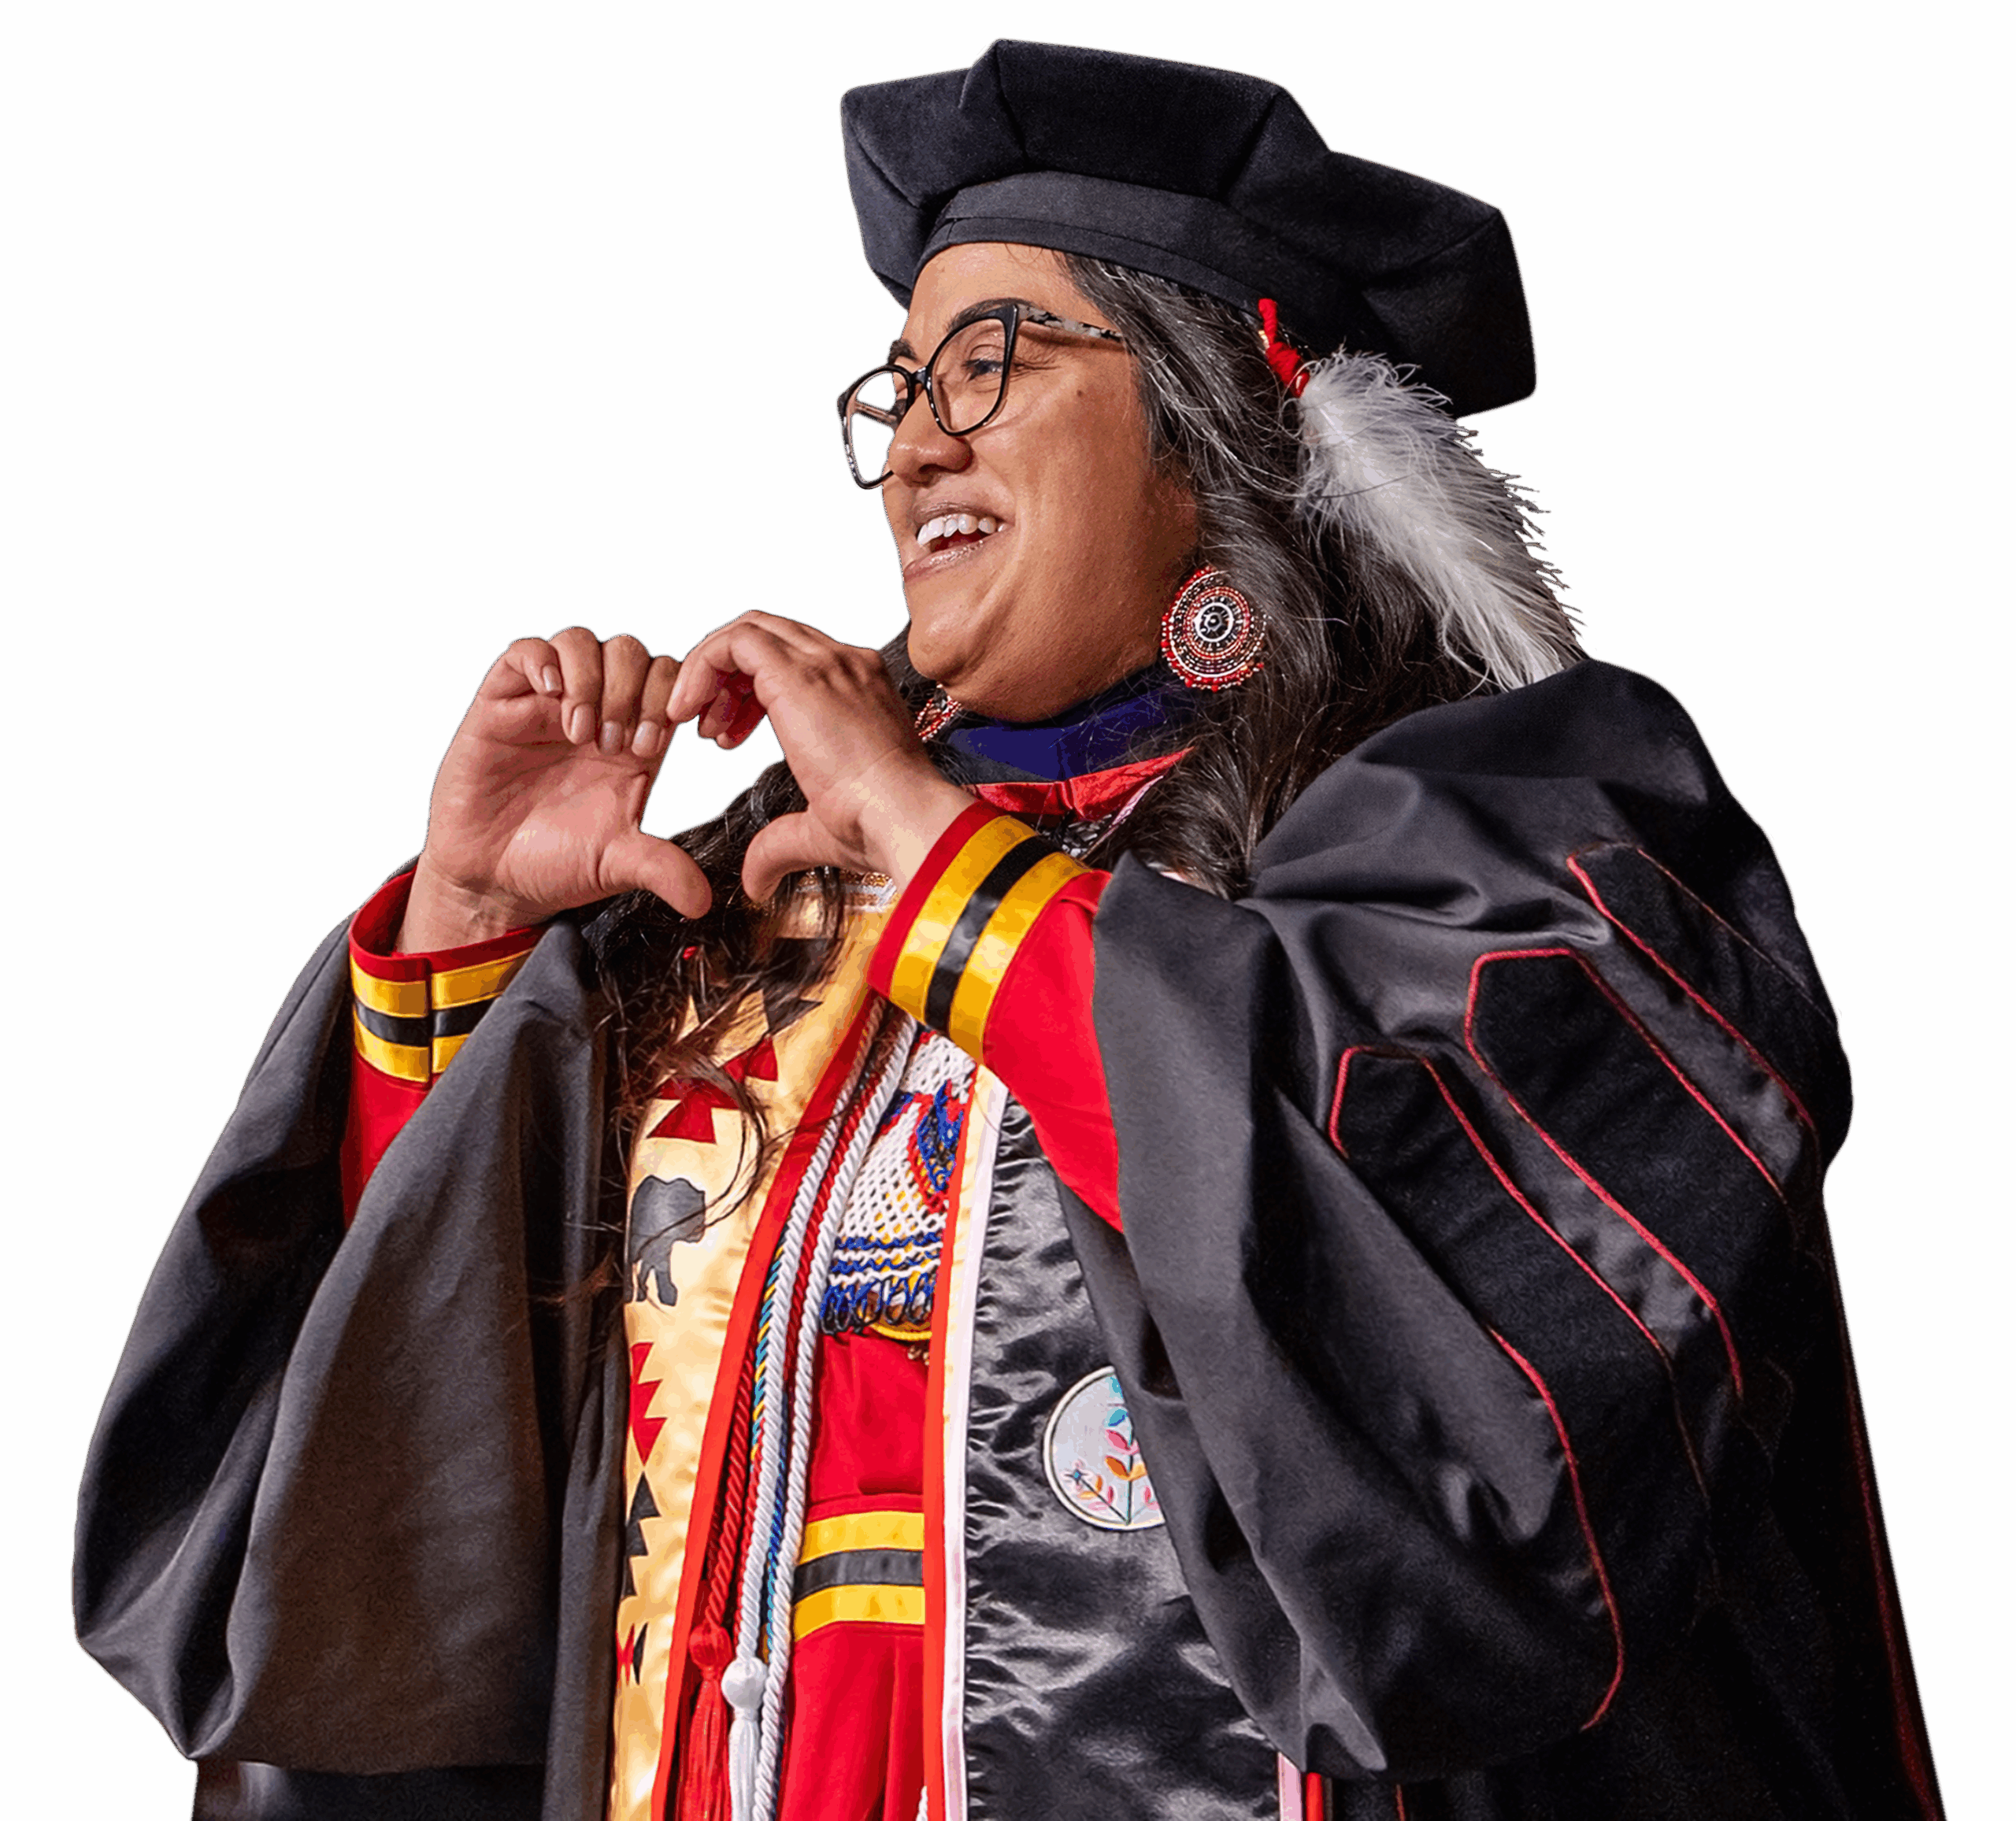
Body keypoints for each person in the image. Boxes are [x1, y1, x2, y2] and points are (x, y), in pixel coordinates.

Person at [76, 39, 1943, 1821]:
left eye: (988, 362)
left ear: (1222, 423)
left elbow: (1484, 1461)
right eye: (896, 393)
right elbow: (409, 1581)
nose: (908, 450)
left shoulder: (1523, 855)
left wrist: (943, 866)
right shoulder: (763, 922)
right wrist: (476, 961)